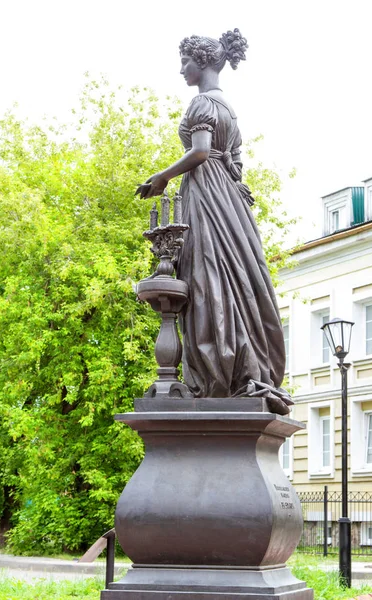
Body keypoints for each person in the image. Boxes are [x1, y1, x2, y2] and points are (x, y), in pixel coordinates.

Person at [136, 29, 292, 415]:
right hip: (228, 197)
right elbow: (235, 166)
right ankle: (243, 360)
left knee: (208, 273)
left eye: (185, 61)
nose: (181, 70)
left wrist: (163, 177)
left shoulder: (201, 103)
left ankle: (217, 369)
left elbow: (201, 151)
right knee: (234, 274)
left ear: (202, 62)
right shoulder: (230, 111)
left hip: (207, 193)